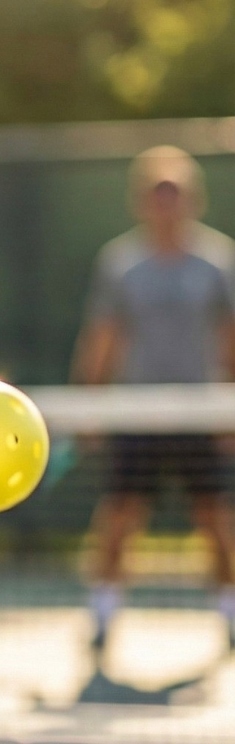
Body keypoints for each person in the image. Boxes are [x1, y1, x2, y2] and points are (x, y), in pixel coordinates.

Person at [74, 144, 235, 657]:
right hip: (136, 414)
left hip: (200, 414)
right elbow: (103, 336)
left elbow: (230, 337)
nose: (166, 203)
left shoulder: (218, 261)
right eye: (157, 193)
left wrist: (229, 411)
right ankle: (102, 615)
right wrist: (88, 406)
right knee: (119, 518)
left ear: (193, 198)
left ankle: (230, 613)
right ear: (142, 200)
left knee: (215, 518)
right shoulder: (121, 263)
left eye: (175, 192)